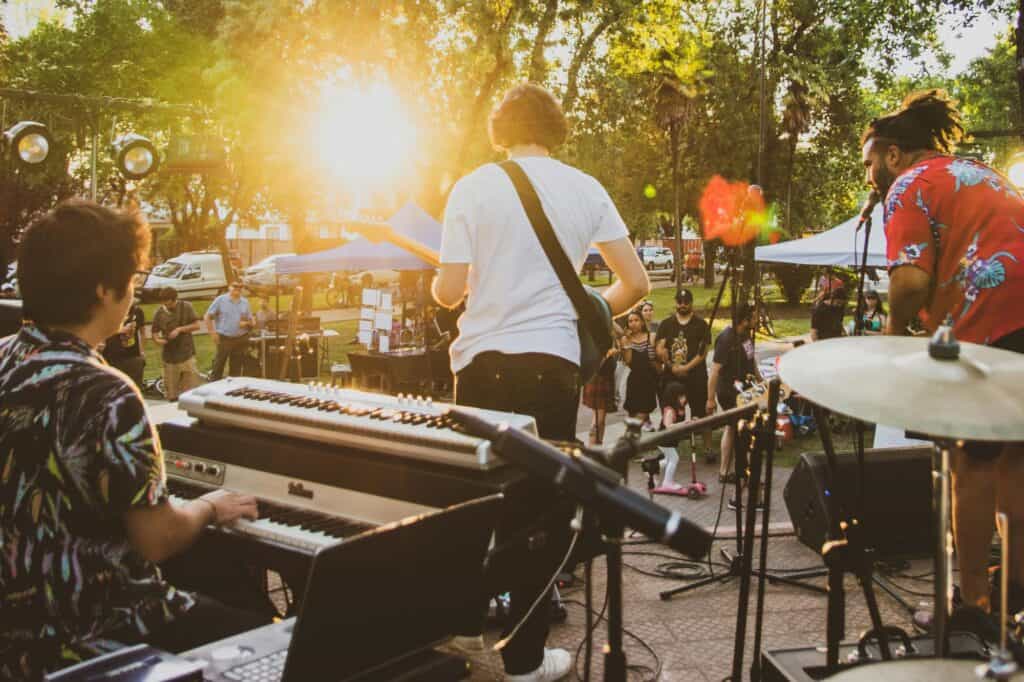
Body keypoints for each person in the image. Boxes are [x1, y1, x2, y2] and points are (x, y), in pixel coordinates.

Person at [432, 82, 649, 682]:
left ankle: (465, 636)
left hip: (481, 365)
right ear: (555, 129)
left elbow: (447, 291)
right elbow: (636, 284)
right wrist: (581, 308)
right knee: (543, 514)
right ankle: (525, 661)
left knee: (477, 506)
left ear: (500, 130)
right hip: (554, 364)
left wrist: (466, 281)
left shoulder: (472, 187)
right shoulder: (586, 188)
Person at [0, 200, 265, 681]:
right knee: (264, 635)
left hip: (11, 622)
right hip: (95, 624)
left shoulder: (3, 360)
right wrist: (208, 506)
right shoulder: (107, 394)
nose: (134, 293)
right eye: (133, 280)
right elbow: (157, 540)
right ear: (104, 290)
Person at [861, 89, 1024, 619]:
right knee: (1017, 460)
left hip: (990, 322)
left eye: (869, 164)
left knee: (970, 465)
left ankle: (973, 602)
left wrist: (892, 332)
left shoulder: (908, 185)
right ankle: (1016, 591)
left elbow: (908, 282)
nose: (868, 178)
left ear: (892, 154)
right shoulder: (979, 172)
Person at [706, 302, 762, 504]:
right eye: (754, 316)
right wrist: (710, 399)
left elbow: (751, 360)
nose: (757, 319)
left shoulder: (747, 336)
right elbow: (714, 371)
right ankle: (734, 474)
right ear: (745, 318)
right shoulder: (726, 338)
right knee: (737, 429)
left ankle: (726, 471)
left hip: (746, 390)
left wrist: (760, 380)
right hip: (729, 392)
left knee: (733, 429)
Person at [655, 289, 713, 465]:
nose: (682, 305)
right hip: (671, 376)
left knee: (701, 411)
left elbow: (703, 352)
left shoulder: (701, 325)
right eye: (680, 302)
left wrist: (686, 367)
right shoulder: (666, 324)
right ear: (676, 303)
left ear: (691, 303)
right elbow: (660, 346)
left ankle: (708, 448)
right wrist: (668, 362)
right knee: (670, 412)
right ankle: (667, 448)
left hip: (695, 375)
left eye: (686, 302)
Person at [151, 287, 202, 401]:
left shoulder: (186, 307)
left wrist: (179, 329)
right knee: (172, 394)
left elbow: (197, 325)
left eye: (169, 304)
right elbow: (154, 333)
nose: (166, 306)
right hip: (169, 357)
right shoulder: (159, 313)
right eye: (164, 303)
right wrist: (159, 341)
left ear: (175, 300)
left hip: (186, 355)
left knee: (190, 392)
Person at [205, 281, 254, 380]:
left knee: (236, 368)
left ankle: (232, 389)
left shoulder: (245, 302)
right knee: (218, 366)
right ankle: (214, 388)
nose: (238, 288)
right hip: (224, 338)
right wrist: (212, 333)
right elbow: (207, 316)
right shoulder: (220, 300)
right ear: (229, 287)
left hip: (241, 339)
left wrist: (248, 323)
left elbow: (250, 319)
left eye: (240, 286)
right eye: (235, 286)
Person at [620, 309, 658, 423]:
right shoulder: (625, 339)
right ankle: (635, 437)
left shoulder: (651, 336)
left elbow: (656, 359)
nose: (633, 323)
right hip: (634, 381)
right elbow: (628, 361)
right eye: (630, 321)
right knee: (632, 414)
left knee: (642, 413)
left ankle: (632, 435)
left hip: (649, 380)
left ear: (642, 322)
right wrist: (626, 342)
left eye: (636, 320)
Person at [101, 298, 145, 387]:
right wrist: (120, 330)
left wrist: (142, 352)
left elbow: (141, 333)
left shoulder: (137, 311)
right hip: (113, 357)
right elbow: (101, 331)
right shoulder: (108, 312)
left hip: (133, 355)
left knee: (135, 387)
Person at [581, 344, 619, 445]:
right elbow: (594, 363)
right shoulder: (596, 338)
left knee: (601, 419)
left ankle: (597, 446)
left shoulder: (605, 334)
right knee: (599, 419)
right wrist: (607, 355)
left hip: (604, 377)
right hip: (599, 378)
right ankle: (593, 448)